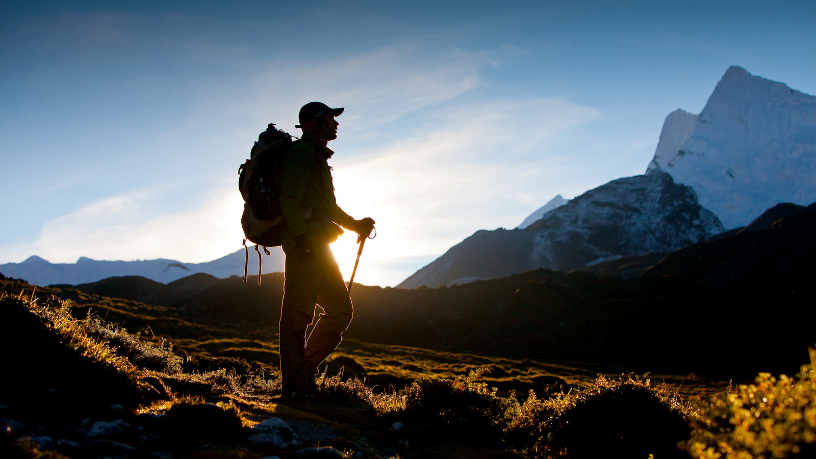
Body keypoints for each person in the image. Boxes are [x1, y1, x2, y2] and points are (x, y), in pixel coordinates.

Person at [277, 101, 375, 396]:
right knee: (298, 314)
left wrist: (356, 225)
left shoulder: (317, 158)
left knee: (340, 310)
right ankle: (296, 385)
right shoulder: (302, 153)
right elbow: (289, 199)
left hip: (319, 244)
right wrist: (302, 240)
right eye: (330, 119)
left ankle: (303, 374)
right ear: (314, 124)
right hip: (305, 244)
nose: (335, 124)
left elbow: (327, 208)